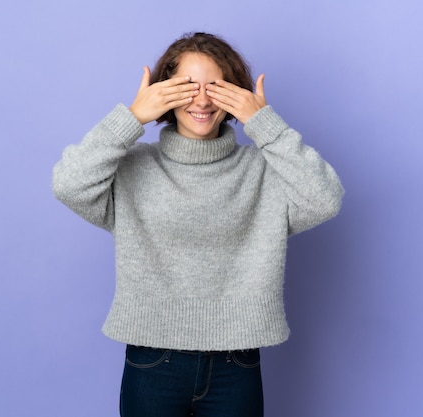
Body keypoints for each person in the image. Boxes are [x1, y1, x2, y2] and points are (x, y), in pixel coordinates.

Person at [52, 32, 344, 417]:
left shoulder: (264, 170)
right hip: (152, 359)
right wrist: (131, 117)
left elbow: (325, 198)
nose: (203, 100)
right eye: (187, 87)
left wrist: (264, 123)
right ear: (164, 94)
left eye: (217, 88)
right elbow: (68, 183)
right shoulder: (132, 168)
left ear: (236, 95)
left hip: (235, 363)